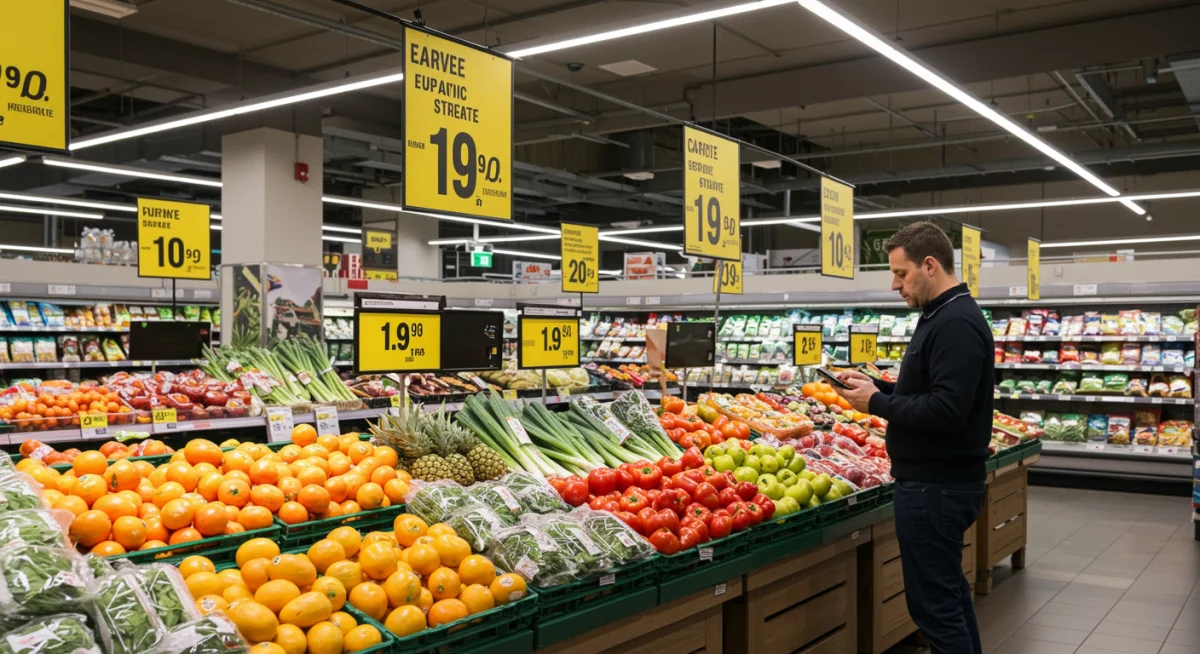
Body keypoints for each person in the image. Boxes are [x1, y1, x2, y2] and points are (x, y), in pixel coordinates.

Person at [832, 221, 992, 654]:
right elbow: (929, 393)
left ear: (929, 265)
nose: (894, 285)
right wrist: (875, 387)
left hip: (935, 488)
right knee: (950, 597)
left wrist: (877, 405)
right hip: (937, 483)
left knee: (934, 608)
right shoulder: (943, 315)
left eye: (901, 274)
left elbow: (947, 410)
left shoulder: (955, 323)